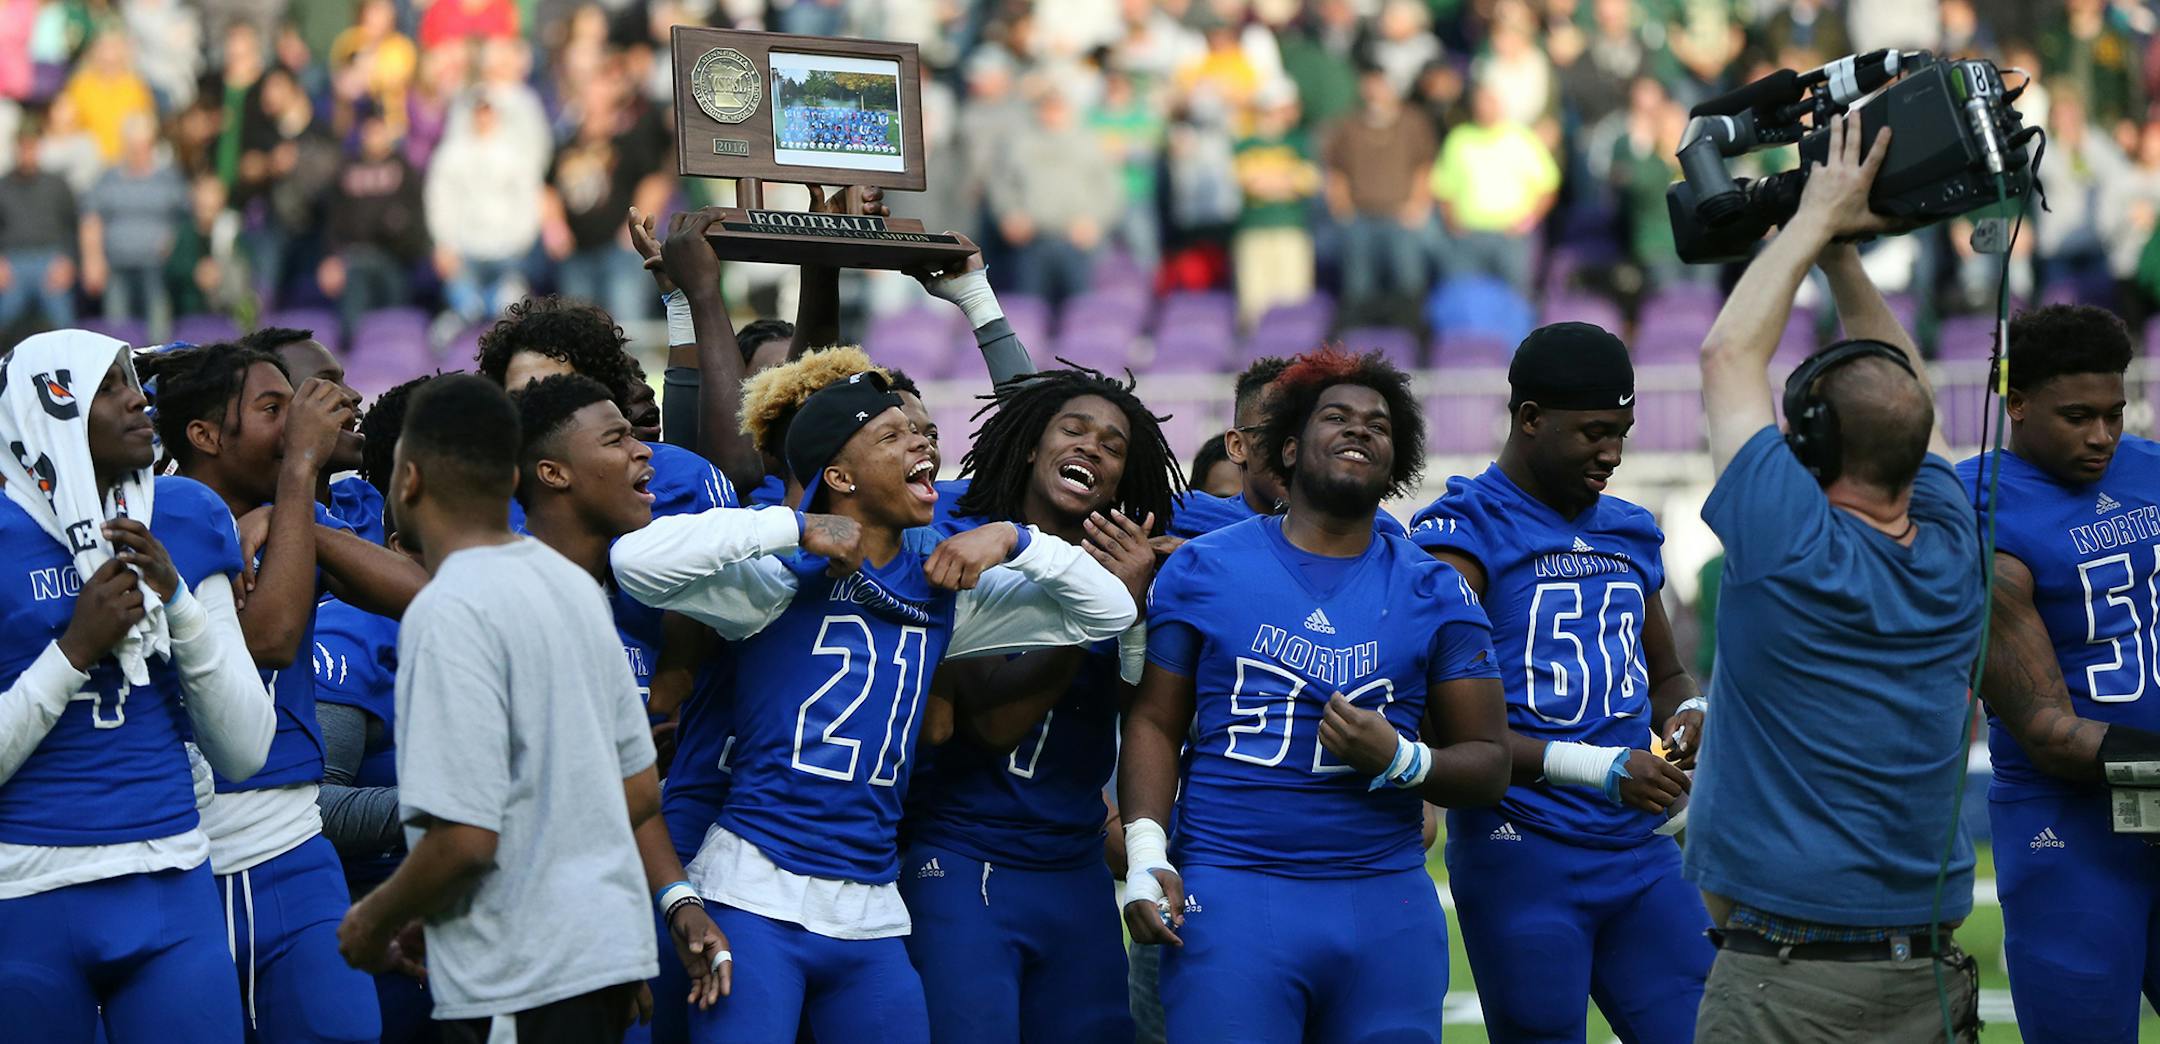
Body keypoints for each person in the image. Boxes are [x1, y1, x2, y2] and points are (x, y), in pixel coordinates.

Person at [609, 366, 1138, 1044]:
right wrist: (790, 529)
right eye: (892, 435)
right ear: (842, 475)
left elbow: (1110, 611)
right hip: (754, 892)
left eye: (922, 432)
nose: (922, 444)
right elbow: (636, 564)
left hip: (871, 912)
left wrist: (1017, 539)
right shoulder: (777, 579)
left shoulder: (945, 587)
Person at [1689, 115, 1983, 1041]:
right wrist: (1845, 260)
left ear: (1810, 444)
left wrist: (1812, 222)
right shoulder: (1954, 549)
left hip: (1789, 982)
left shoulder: (1787, 550)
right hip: (1925, 979)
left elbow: (1727, 354)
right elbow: (1904, 397)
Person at [1120, 347, 1510, 1043]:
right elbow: (1153, 719)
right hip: (1233, 886)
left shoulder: (1434, 588)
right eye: (1337, 416)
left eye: (1379, 424)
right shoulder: (1205, 568)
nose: (1361, 429)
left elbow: (1488, 763)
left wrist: (1403, 760)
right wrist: (1148, 853)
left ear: (1398, 459)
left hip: (1384, 898)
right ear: (1290, 448)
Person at [335, 374, 676, 1043]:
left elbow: (464, 840)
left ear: (408, 480)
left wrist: (370, 919)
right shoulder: (573, 586)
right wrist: (433, 907)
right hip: (604, 952)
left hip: (522, 974)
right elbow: (637, 791)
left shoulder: (447, 608)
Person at [1409, 322, 1714, 1042]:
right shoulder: (1460, 533)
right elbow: (1446, 729)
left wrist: (1690, 710)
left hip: (1637, 847)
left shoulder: (1629, 530)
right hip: (1524, 845)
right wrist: (1597, 767)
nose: (1612, 453)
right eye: (1593, 433)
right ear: (1530, 419)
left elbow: (1665, 670)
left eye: (1623, 433)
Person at [145, 341, 429, 1044]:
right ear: (205, 436)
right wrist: (300, 471)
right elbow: (265, 642)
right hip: (199, 853)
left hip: (297, 846)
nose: (300, 422)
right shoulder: (168, 513)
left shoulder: (289, 513)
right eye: (274, 409)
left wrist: (293, 519)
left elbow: (430, 596)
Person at [0, 330, 274, 1043]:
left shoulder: (180, 515)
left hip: (171, 873)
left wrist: (177, 601)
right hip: (25, 890)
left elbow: (245, 749)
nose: (138, 398)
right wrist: (75, 650)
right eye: (109, 386)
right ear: (46, 412)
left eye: (134, 379)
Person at [899, 367, 1185, 1044]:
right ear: (1032, 446)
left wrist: (1137, 612)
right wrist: (1097, 607)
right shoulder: (963, 544)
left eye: (1113, 446)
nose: (1093, 447)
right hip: (966, 854)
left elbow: (1134, 707)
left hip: (1074, 866)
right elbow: (994, 723)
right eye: (1074, 430)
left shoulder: (1132, 568)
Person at [1958, 304, 2160, 1041]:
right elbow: (2047, 730)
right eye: (2077, 416)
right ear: (2015, 404)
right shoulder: (1980, 505)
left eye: (2114, 412)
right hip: (2070, 826)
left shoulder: (2150, 469)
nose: (2102, 436)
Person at [310, 373, 437, 1043]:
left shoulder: (535, 601)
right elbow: (315, 809)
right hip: (392, 947)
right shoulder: (352, 631)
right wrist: (459, 811)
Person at [473, 295, 737, 526]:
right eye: (519, 396)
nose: (536, 405)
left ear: (604, 398)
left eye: (558, 389)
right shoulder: (487, 500)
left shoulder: (682, 476)